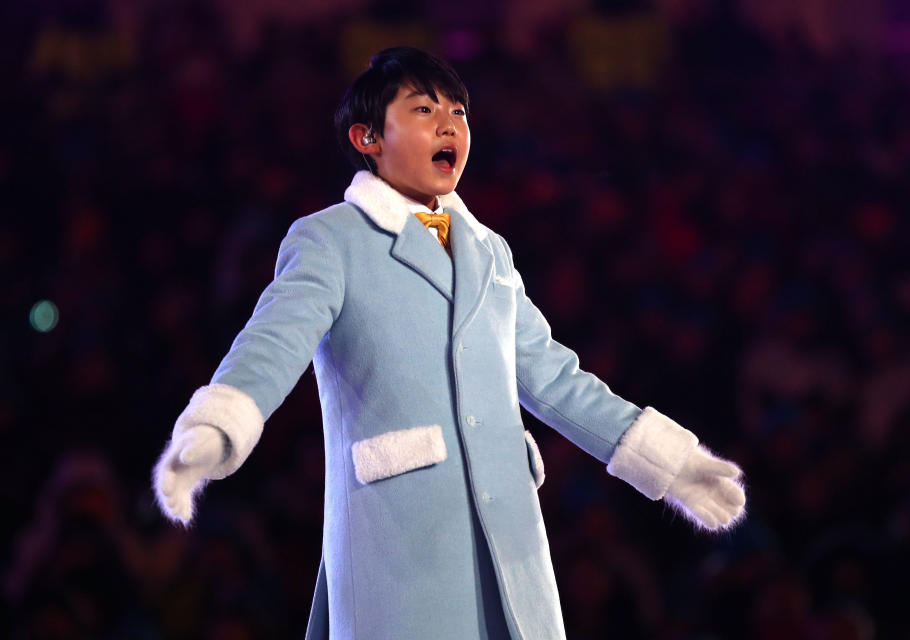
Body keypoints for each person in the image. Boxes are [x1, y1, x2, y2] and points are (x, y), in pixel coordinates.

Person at [152, 46, 746, 640]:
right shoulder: (331, 239)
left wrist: (671, 465)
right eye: (423, 109)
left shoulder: (490, 251)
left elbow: (554, 380)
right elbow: (273, 341)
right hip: (401, 543)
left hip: (511, 544)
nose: (449, 125)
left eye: (458, 112)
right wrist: (217, 426)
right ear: (367, 137)